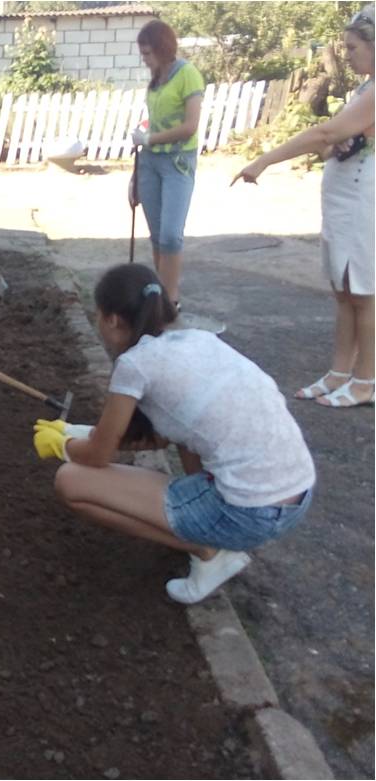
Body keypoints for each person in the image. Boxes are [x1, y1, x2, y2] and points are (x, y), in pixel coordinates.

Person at [32, 264, 315, 604]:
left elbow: (98, 456)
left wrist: (63, 444)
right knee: (188, 435)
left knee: (71, 482)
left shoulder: (136, 364)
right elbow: (165, 434)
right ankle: (205, 523)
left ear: (112, 320)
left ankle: (209, 551)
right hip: (297, 493)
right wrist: (83, 432)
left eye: (97, 315)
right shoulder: (200, 339)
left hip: (248, 513)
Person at [232, 7, 375, 408]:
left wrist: (264, 159)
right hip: (345, 197)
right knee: (344, 290)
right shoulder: (365, 90)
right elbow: (336, 142)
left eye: (352, 47)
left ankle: (367, 381)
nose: (346, 54)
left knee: (364, 293)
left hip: (364, 200)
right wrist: (332, 143)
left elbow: (325, 133)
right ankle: (340, 372)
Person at [128, 19, 205, 312]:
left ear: (163, 48)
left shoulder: (188, 75)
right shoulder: (155, 80)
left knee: (172, 234)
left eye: (148, 53)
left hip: (178, 163)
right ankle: (160, 296)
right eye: (143, 54)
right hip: (149, 163)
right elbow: (154, 125)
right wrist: (135, 176)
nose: (145, 59)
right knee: (158, 235)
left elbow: (190, 126)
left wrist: (150, 138)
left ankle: (170, 301)